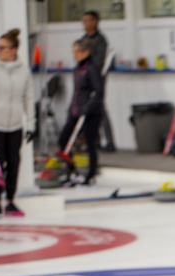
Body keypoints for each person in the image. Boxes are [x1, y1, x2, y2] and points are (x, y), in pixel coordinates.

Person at [0, 29, 35, 219]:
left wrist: (31, 124)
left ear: (13, 49)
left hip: (16, 126)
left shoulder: (23, 70)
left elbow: (28, 97)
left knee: (14, 163)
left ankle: (10, 201)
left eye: (2, 48)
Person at [58, 38, 104, 187]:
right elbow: (77, 92)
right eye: (74, 51)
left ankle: (90, 174)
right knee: (64, 140)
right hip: (76, 111)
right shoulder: (78, 69)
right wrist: (72, 109)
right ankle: (72, 171)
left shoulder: (92, 69)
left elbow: (98, 91)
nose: (75, 54)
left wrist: (89, 108)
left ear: (86, 52)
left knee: (90, 144)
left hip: (91, 113)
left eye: (77, 51)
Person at [81, 10, 115, 152]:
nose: (86, 23)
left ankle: (110, 142)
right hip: (85, 79)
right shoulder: (83, 40)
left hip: (97, 78)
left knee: (99, 108)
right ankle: (94, 141)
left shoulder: (101, 40)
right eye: (84, 20)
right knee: (88, 109)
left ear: (95, 21)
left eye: (89, 20)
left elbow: (98, 62)